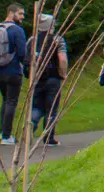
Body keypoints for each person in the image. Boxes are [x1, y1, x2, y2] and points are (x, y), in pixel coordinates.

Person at [0, 3, 31, 145]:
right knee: (11, 102)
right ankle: (7, 136)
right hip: (12, 70)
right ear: (11, 13)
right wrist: (27, 66)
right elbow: (21, 52)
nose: (22, 17)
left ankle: (2, 132)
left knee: (5, 100)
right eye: (20, 14)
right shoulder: (17, 30)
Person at [29, 13, 68, 147]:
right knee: (51, 107)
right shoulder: (57, 40)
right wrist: (63, 73)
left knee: (37, 106)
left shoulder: (32, 40)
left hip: (36, 78)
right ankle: (48, 138)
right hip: (52, 77)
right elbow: (62, 58)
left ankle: (31, 124)